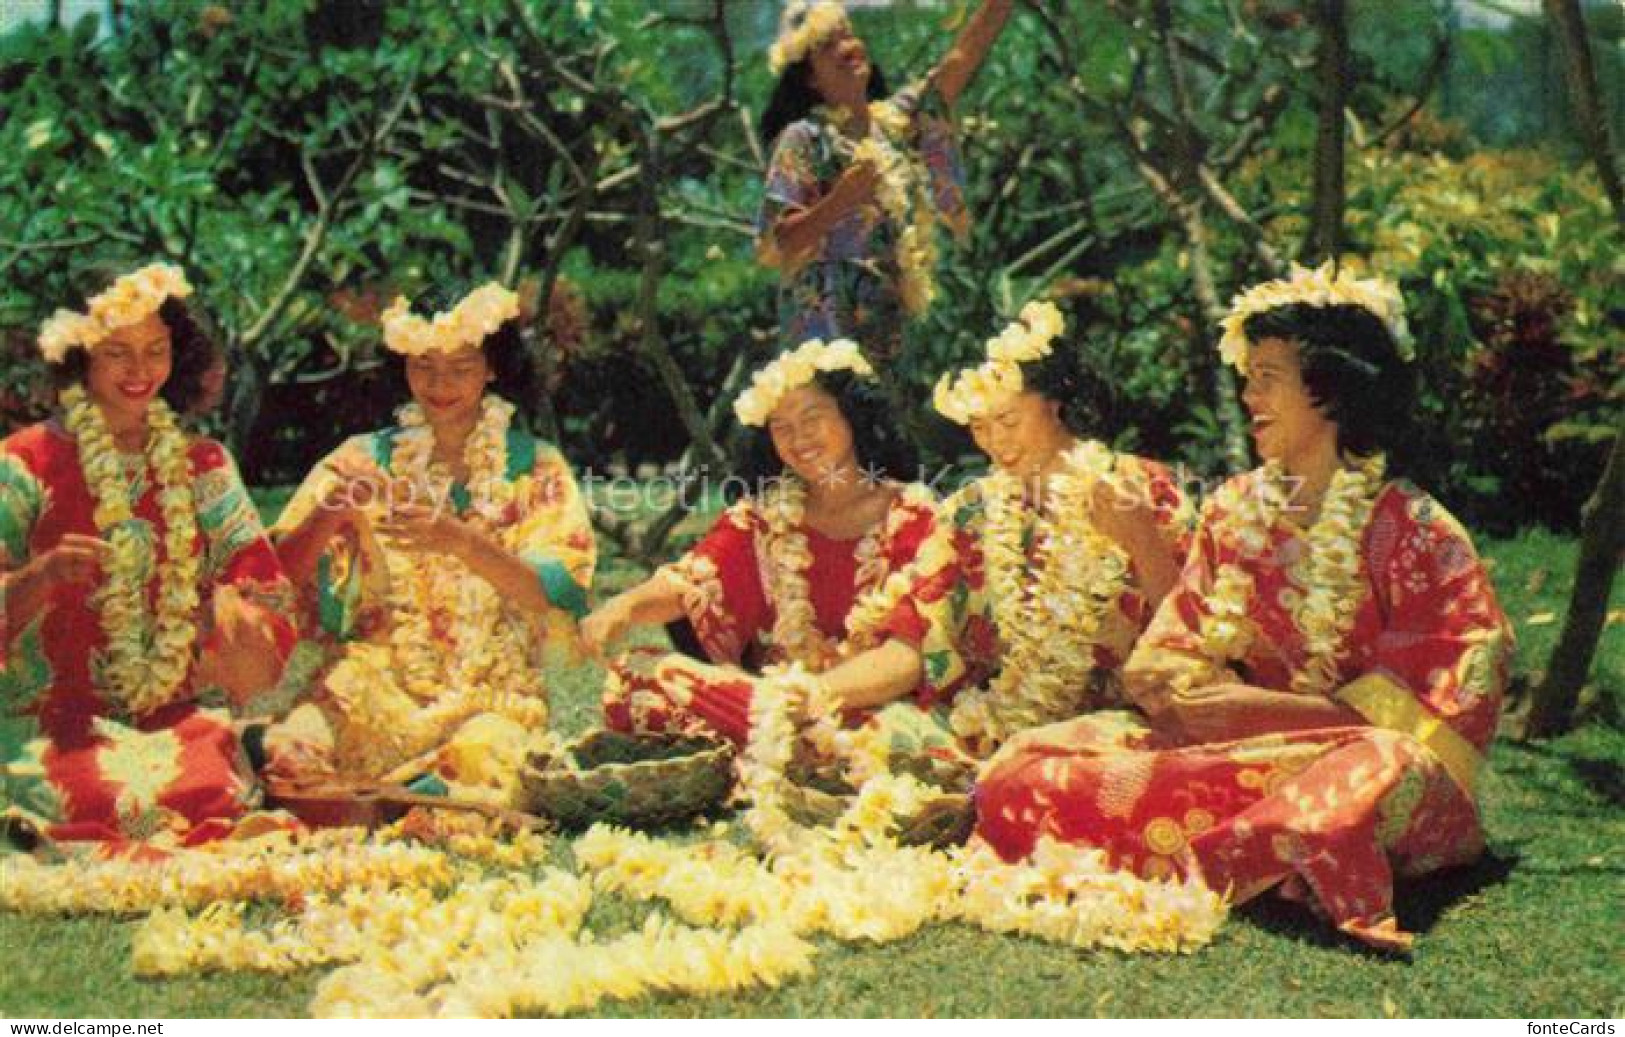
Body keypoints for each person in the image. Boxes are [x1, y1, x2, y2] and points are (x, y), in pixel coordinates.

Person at [973, 265, 1513, 952]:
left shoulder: (1413, 528)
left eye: (1267, 377)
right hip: (1225, 751)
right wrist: (1164, 681)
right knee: (1023, 763)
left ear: (1332, 388)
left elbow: (1445, 712)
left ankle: (1244, 842)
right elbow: (1179, 634)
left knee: (1378, 768)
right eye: (1247, 375)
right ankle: (1269, 850)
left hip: (1346, 755)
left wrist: (1260, 711)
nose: (1246, 393)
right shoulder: (1232, 510)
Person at [0, 263, 297, 851]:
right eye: (118, 352)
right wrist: (43, 574)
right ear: (80, 354)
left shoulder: (203, 465)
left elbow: (265, 592)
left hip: (171, 715)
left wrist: (232, 612)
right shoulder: (22, 463)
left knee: (206, 791)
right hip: (52, 719)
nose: (140, 372)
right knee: (96, 795)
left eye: (155, 350)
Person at [264, 282, 594, 804]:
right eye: (424, 366)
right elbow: (272, 577)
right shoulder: (358, 459)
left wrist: (460, 542)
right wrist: (334, 509)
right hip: (373, 690)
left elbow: (554, 595)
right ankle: (389, 796)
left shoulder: (539, 468)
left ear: (493, 368)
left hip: (490, 700)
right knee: (292, 752)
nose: (440, 384)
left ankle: (407, 796)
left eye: (461, 368)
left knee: (483, 766)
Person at [587, 338, 947, 753]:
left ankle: (777, 733)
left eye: (812, 419)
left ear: (853, 417)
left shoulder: (914, 516)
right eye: (782, 428)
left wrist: (807, 697)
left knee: (888, 735)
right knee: (636, 676)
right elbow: (691, 584)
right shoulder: (763, 516)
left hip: (871, 706)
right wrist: (624, 607)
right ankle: (771, 729)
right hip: (768, 704)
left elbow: (906, 661)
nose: (799, 439)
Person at [881, 300, 1193, 757]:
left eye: (1008, 420)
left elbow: (1194, 642)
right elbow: (917, 639)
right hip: (995, 728)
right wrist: (817, 693)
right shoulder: (969, 513)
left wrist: (1143, 541)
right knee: (884, 735)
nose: (995, 443)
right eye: (979, 427)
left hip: (1121, 735)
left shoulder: (1143, 488)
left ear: (1055, 400)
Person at [756, 0, 1015, 360]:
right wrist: (841, 199)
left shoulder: (895, 125)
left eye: (848, 35)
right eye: (828, 45)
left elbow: (957, 62)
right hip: (825, 335)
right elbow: (778, 242)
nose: (848, 46)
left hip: (890, 329)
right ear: (810, 77)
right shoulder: (804, 138)